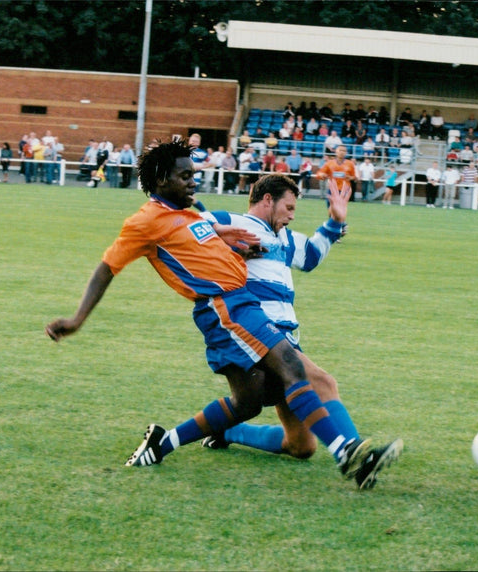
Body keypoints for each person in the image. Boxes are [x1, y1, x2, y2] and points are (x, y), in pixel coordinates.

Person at [45, 138, 396, 489]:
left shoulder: (186, 213)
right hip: (223, 305)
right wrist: (77, 319)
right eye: (185, 176)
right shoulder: (145, 220)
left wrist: (229, 238)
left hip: (239, 302)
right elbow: (108, 266)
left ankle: (162, 443)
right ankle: (346, 451)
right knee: (292, 367)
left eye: (193, 174)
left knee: (250, 405)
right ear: (162, 179)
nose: (193, 181)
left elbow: (203, 231)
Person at [199, 174, 402, 473]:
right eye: (289, 208)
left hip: (286, 339)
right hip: (260, 335)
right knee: (323, 382)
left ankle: (225, 431)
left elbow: (311, 256)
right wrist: (220, 236)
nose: (292, 216)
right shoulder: (231, 221)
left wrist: (334, 222)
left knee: (301, 446)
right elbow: (188, 225)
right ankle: (353, 452)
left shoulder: (286, 238)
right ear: (268, 200)